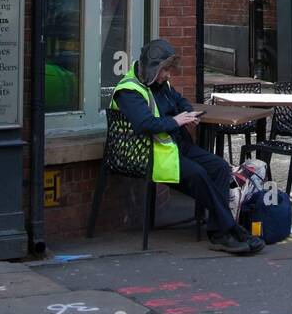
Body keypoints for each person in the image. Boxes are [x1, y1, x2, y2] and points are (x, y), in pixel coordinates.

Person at [113, 39, 263, 255]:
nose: (168, 75)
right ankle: (231, 229)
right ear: (152, 68)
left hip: (173, 147)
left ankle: (219, 232)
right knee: (200, 174)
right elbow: (144, 124)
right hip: (147, 154)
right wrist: (176, 121)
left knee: (219, 167)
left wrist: (188, 115)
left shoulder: (160, 85)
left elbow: (181, 102)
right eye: (165, 70)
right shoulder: (128, 91)